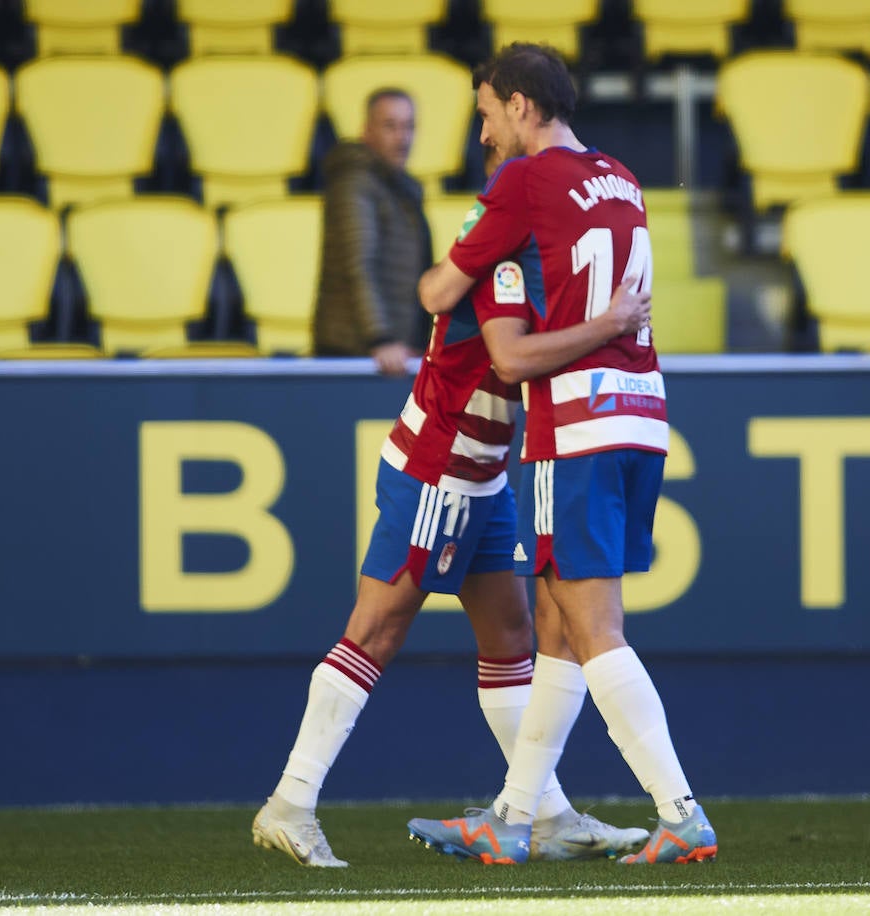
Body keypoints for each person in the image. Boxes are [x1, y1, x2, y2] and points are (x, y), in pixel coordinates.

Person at [251, 146, 656, 868]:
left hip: (482, 473)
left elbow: (437, 289)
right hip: (442, 467)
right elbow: (508, 358)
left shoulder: (512, 256)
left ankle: (546, 813)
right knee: (376, 629)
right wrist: (610, 324)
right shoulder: (508, 269)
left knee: (510, 635)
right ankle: (291, 801)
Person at [407, 43, 717, 866]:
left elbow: (440, 291)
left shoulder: (523, 182)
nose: (483, 135)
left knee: (591, 623)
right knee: (555, 624)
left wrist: (467, 273)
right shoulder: (622, 178)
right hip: (642, 413)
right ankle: (513, 817)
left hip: (576, 424)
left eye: (486, 114)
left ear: (519, 104)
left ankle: (681, 811)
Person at [312, 88, 433, 376]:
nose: (402, 138)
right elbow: (358, 264)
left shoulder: (403, 188)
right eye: (390, 126)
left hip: (393, 352)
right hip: (356, 355)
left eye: (409, 126)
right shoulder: (354, 181)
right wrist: (380, 338)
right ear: (366, 130)